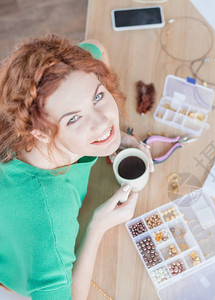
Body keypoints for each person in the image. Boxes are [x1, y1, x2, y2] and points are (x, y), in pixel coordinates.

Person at [0, 35, 154, 299]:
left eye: (97, 97)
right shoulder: (50, 217)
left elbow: (97, 47)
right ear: (40, 134)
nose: (102, 122)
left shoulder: (31, 99)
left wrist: (117, 138)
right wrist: (98, 225)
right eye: (73, 119)